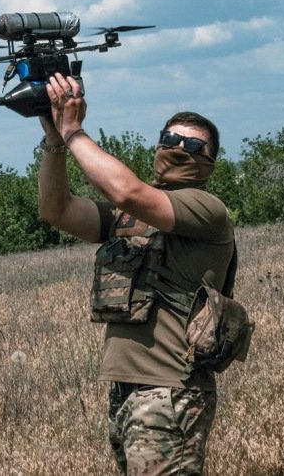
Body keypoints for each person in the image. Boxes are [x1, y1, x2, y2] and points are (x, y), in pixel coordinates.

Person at [37, 72, 236, 475]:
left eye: (193, 145)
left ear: (209, 161)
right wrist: (55, 143)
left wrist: (74, 131)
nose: (179, 148)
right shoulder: (129, 218)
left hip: (171, 390)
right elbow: (56, 210)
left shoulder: (206, 210)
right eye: (171, 139)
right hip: (127, 388)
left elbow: (127, 191)